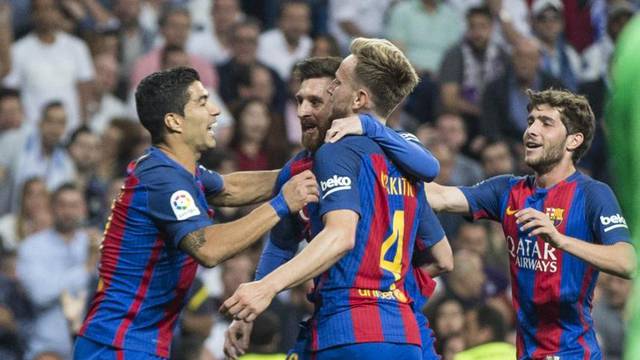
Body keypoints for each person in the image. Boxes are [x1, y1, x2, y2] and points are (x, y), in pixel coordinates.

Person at [221, 39, 449, 359]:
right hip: (403, 332)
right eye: (299, 100)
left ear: (354, 99)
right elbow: (442, 257)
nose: (303, 111)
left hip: (349, 327)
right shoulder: (401, 159)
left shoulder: (341, 151)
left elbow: (341, 235)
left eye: (322, 96)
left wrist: (265, 288)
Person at [73, 66, 319, 359]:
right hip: (118, 345)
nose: (215, 111)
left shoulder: (177, 171)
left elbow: (231, 188)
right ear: (174, 121)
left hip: (133, 341)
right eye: (202, 102)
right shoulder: (163, 179)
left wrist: (306, 167)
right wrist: (282, 204)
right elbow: (209, 248)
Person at [423, 89, 636, 359]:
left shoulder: (592, 194)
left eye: (546, 123)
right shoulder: (507, 190)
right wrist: (384, 164)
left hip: (572, 352)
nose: (531, 130)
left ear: (573, 140)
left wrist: (559, 240)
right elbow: (440, 196)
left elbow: (627, 260)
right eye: (531, 121)